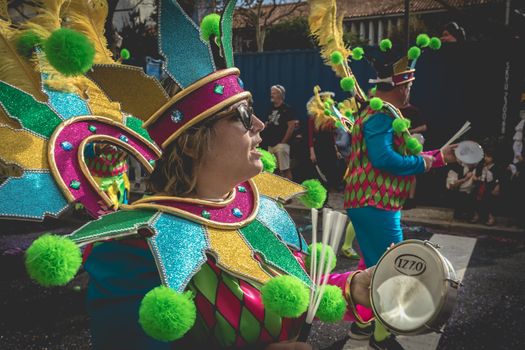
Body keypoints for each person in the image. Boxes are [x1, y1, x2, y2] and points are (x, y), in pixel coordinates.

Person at [16, 2, 379, 349]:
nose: (257, 124)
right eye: (241, 114)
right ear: (194, 142)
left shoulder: (261, 211)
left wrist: (352, 287)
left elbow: (299, 284)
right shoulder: (134, 247)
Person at [343, 38, 458, 349]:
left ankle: (362, 324)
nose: (411, 91)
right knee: (390, 269)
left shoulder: (375, 111)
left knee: (372, 265)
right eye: (409, 84)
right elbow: (384, 159)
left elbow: (388, 155)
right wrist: (433, 160)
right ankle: (382, 336)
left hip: (366, 201)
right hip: (376, 202)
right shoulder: (382, 115)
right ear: (400, 86)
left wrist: (440, 155)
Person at [263, 85, 297, 180]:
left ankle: (291, 192)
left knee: (285, 169)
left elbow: (291, 126)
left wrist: (284, 141)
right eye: (271, 92)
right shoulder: (269, 109)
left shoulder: (287, 109)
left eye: (274, 93)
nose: (271, 95)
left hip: (281, 145)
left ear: (280, 95)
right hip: (271, 145)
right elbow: (266, 124)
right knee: (275, 171)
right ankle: (278, 192)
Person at [471, 150, 501, 226]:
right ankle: (476, 215)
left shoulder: (496, 167)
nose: (485, 158)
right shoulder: (481, 166)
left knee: (488, 200)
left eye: (488, 156)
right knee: (476, 199)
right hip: (480, 185)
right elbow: (477, 175)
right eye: (485, 156)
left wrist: (497, 187)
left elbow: (499, 178)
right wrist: (476, 178)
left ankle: (491, 218)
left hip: (490, 186)